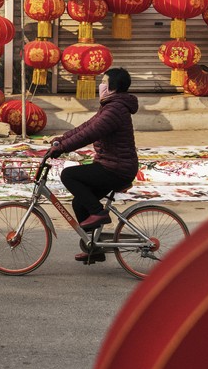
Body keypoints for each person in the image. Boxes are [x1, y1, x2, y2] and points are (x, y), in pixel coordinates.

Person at [49, 67, 140, 263]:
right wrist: (61, 140)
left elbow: (90, 134)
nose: (101, 85)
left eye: (104, 81)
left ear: (113, 87)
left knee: (69, 175)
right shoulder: (111, 106)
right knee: (79, 202)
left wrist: (62, 148)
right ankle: (94, 248)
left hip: (117, 169)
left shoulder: (114, 110)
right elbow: (86, 127)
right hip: (112, 165)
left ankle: (99, 213)